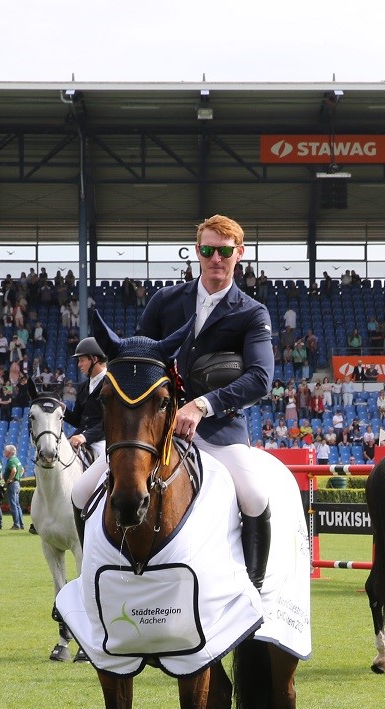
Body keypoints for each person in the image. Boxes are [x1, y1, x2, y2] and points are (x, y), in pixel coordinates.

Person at [73, 213, 276, 586]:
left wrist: (202, 404)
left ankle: (254, 590)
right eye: (208, 249)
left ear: (240, 253)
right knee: (80, 491)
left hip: (219, 429)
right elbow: (135, 365)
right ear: (197, 252)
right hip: (154, 430)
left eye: (225, 250)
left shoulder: (252, 312)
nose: (216, 258)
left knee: (255, 496)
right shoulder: (164, 301)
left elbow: (261, 379)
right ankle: (89, 580)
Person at [67, 336, 108, 461]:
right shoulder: (83, 386)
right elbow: (79, 420)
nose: (79, 365)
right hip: (80, 439)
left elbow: (111, 421)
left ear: (94, 359)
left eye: (81, 360)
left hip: (103, 441)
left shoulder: (112, 384)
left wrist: (85, 436)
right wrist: (63, 411)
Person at [2, 444, 24, 530]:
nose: (4, 452)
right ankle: (20, 524)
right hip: (17, 483)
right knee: (17, 504)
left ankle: (16, 524)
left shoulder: (11, 461)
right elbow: (22, 469)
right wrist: (18, 477)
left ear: (9, 452)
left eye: (5, 451)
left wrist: (10, 479)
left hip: (13, 484)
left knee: (13, 505)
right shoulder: (16, 459)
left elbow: (14, 470)